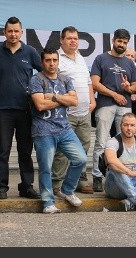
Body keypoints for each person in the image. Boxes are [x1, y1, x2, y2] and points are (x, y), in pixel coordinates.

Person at [0, 16, 43, 200]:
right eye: (9, 31)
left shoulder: (30, 52)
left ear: (21, 32)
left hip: (25, 109)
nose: (13, 34)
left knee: (25, 150)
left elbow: (45, 72)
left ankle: (26, 186)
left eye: (16, 31)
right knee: (3, 150)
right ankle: (1, 186)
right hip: (2, 109)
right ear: (4, 33)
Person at [29, 48, 88, 214]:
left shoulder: (65, 79)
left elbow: (75, 101)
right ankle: (48, 202)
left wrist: (53, 97)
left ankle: (67, 191)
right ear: (42, 62)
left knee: (81, 159)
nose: (52, 63)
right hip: (43, 130)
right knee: (46, 167)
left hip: (64, 129)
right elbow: (40, 105)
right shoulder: (36, 79)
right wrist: (64, 100)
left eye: (54, 60)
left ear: (58, 61)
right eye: (48, 60)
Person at [90, 28, 136, 192]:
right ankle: (97, 176)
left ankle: (120, 177)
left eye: (125, 42)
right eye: (119, 41)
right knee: (102, 142)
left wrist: (128, 88)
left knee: (124, 143)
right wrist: (114, 94)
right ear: (113, 40)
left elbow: (134, 87)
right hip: (105, 104)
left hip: (125, 107)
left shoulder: (130, 63)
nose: (122, 45)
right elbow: (95, 83)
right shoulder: (101, 58)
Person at [52, 26, 96, 195]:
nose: (73, 41)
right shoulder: (57, 59)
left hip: (84, 113)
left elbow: (88, 82)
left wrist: (92, 101)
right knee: (63, 150)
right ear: (62, 40)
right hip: (66, 114)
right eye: (69, 38)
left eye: (76, 38)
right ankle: (56, 183)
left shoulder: (80, 57)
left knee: (83, 149)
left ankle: (76, 181)